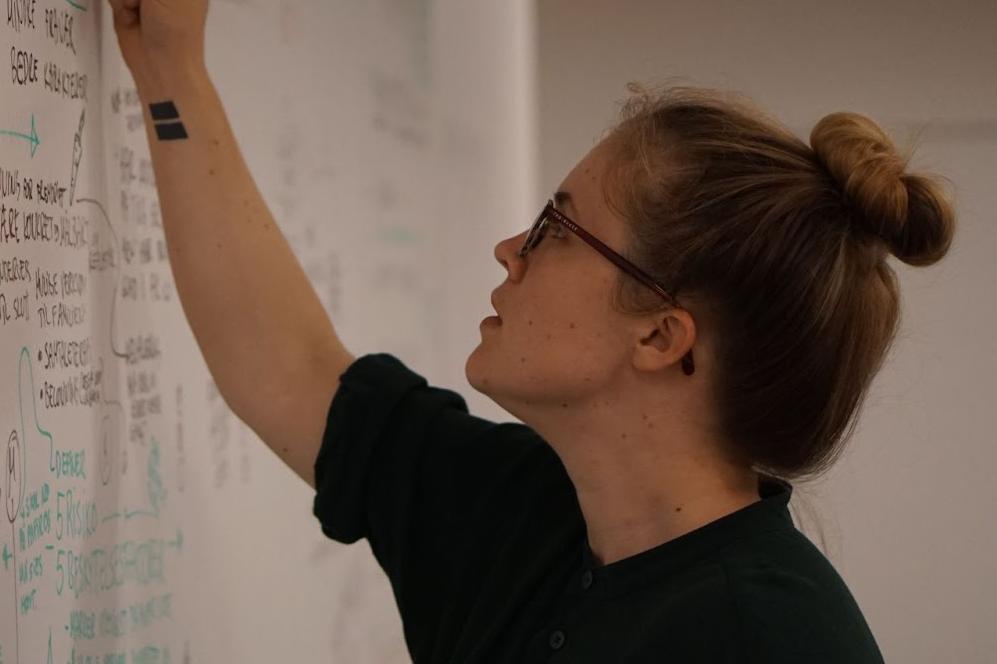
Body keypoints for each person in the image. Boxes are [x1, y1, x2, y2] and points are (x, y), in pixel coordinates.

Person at [107, 1, 956, 662]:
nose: (510, 249)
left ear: (661, 338)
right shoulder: (526, 516)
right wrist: (171, 68)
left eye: (557, 227)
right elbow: (289, 371)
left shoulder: (768, 640)